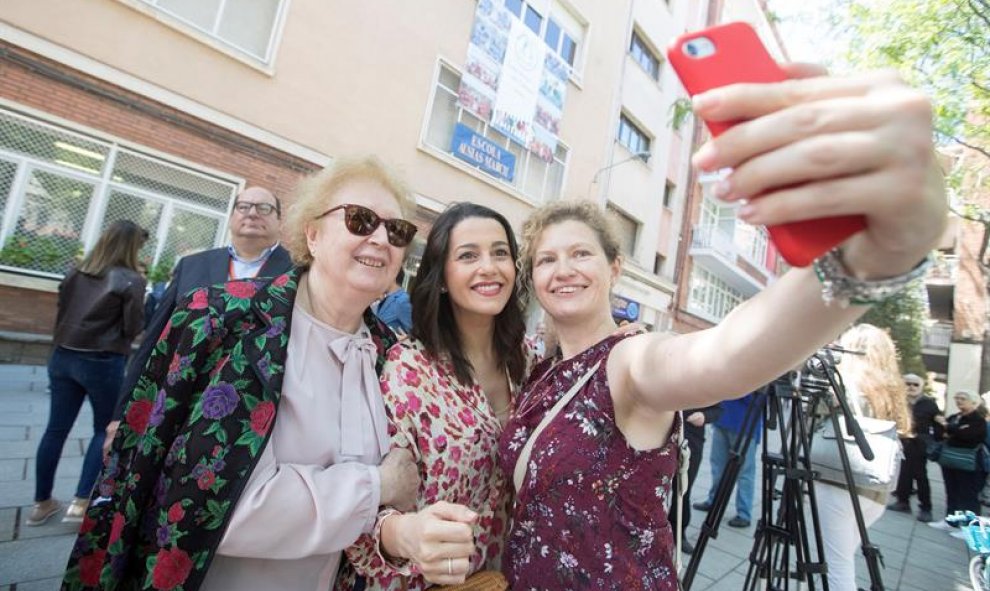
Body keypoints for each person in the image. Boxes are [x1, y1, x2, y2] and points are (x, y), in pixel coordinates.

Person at [497, 64, 946, 589]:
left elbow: (725, 354)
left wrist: (875, 254)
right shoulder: (543, 368)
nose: (563, 269)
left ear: (614, 268)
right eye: (546, 259)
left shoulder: (630, 362)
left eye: (580, 253)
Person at [61, 157, 421, 591]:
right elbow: (210, 504)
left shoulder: (391, 355)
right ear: (313, 233)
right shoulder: (219, 318)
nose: (381, 238)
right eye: (360, 220)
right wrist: (376, 485)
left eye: (397, 230)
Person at [338, 202, 532, 589]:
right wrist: (407, 535)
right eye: (468, 255)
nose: (489, 267)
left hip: (500, 578)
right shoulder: (407, 369)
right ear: (441, 276)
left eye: (500, 253)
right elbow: (362, 511)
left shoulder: (528, 362)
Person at [104, 186, 294, 455]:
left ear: (279, 221)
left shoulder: (298, 274)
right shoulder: (192, 266)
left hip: (253, 417)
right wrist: (121, 414)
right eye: (244, 207)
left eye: (264, 208)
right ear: (232, 216)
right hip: (178, 402)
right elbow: (155, 342)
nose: (252, 213)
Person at [28, 220, 148, 526]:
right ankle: (80, 504)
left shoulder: (75, 272)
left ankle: (41, 504)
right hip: (102, 361)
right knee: (103, 429)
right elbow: (134, 327)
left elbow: (62, 310)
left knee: (55, 430)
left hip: (63, 356)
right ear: (132, 246)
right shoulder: (131, 279)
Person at [815, 324, 911, 591]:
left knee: (836, 567)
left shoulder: (846, 384)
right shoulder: (891, 390)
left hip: (840, 483)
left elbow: (813, 416)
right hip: (876, 491)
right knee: (843, 557)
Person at [693, 393, 762, 528]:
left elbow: (760, 398)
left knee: (745, 472)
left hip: (746, 425)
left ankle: (744, 513)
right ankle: (714, 501)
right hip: (723, 419)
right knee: (717, 467)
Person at [929, 389, 988, 531]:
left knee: (968, 495)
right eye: (957, 398)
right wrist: (944, 427)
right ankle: (951, 521)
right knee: (952, 491)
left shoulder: (978, 420)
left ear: (973, 402)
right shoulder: (955, 417)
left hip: (969, 462)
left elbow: (968, 436)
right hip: (950, 460)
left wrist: (949, 428)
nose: (959, 401)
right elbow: (940, 435)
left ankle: (971, 528)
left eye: (963, 398)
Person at [668, 402, 722, 554]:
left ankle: (679, 533)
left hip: (691, 441)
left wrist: (705, 416)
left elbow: (718, 410)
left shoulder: (705, 381)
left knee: (683, 489)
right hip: (663, 437)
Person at [888, 372, 942, 522]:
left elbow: (938, 424)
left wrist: (932, 442)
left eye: (915, 384)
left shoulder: (929, 403)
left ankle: (926, 508)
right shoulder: (898, 401)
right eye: (908, 384)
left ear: (921, 387)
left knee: (920, 475)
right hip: (901, 441)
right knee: (903, 473)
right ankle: (902, 501)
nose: (911, 387)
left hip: (919, 443)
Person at [375, 267, 413, 334]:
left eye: (381, 276)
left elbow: (413, 333)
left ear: (393, 277)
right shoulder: (385, 298)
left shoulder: (404, 300)